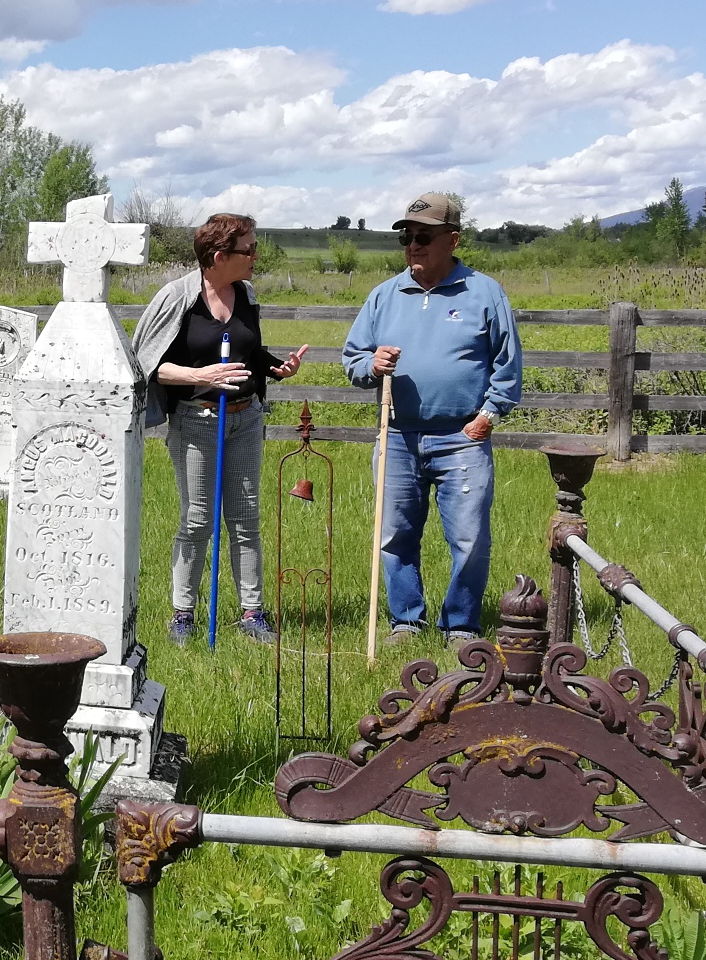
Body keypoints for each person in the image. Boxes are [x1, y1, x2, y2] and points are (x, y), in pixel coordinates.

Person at [340, 193, 523, 644]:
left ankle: (461, 624)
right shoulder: (384, 296)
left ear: (452, 240)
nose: (413, 246)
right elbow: (353, 359)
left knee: (469, 539)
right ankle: (406, 619)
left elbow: (508, 363)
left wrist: (489, 415)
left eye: (423, 236)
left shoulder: (484, 292)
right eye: (406, 237)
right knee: (394, 536)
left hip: (461, 436)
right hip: (397, 434)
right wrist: (372, 365)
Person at [133, 212, 310, 646]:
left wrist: (276, 367)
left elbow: (248, 353)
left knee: (246, 520)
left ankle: (252, 613)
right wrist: (202, 378)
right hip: (197, 421)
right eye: (248, 249)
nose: (255, 256)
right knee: (196, 521)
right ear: (218, 256)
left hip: (246, 419)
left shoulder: (246, 293)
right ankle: (183, 615)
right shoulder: (178, 298)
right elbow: (149, 365)